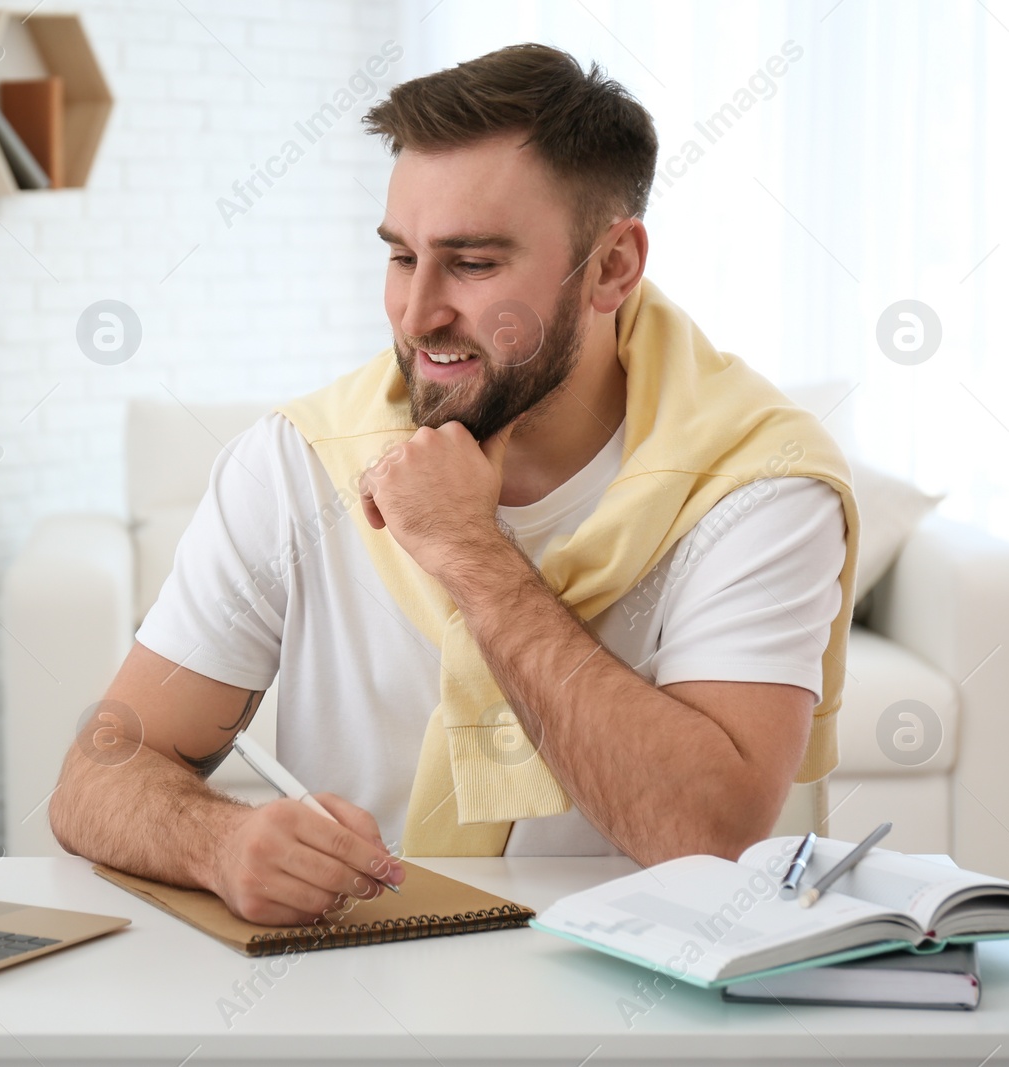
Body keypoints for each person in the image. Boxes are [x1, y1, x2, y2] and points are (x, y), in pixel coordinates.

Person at [50, 43, 858, 926]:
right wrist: (218, 843)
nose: (417, 311)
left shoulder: (758, 481)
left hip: (641, 999)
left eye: (473, 264)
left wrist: (472, 551)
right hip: (350, 981)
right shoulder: (296, 460)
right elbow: (99, 775)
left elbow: (706, 834)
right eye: (401, 257)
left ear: (613, 267)